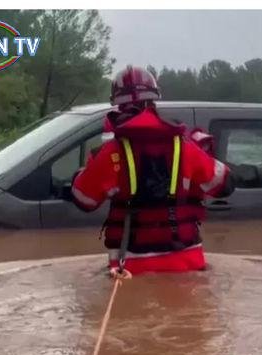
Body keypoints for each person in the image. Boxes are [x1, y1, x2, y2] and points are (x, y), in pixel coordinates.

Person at [71, 66, 234, 276]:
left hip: (130, 268)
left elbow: (84, 200)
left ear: (118, 106)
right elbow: (225, 184)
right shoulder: (185, 146)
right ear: (154, 101)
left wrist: (82, 173)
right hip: (187, 264)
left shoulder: (110, 153)